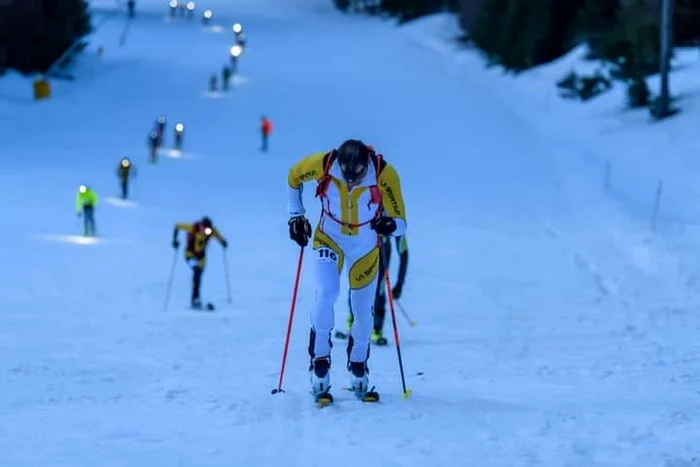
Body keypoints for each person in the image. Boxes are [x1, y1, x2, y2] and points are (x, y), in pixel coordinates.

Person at [287, 139, 407, 400]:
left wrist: (389, 226)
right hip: (329, 238)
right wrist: (296, 215)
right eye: (346, 175)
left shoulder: (385, 172)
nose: (352, 181)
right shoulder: (324, 164)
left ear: (367, 166)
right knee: (326, 295)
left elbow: (401, 223)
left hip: (364, 248)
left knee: (362, 310)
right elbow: (293, 176)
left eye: (359, 175)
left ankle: (358, 367)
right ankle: (319, 363)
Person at [335, 234, 408, 346]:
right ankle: (353, 325)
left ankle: (377, 329)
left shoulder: (393, 216)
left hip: (381, 250)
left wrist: (400, 283)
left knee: (379, 287)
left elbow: (403, 251)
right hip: (361, 248)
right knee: (356, 285)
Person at [172, 217, 228, 309]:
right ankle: (195, 299)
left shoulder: (211, 231)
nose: (206, 232)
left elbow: (218, 236)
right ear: (201, 226)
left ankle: (196, 298)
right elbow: (177, 226)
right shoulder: (192, 228)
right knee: (196, 272)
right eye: (204, 229)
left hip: (202, 258)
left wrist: (223, 242)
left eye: (208, 230)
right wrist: (174, 240)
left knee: (198, 277)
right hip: (189, 255)